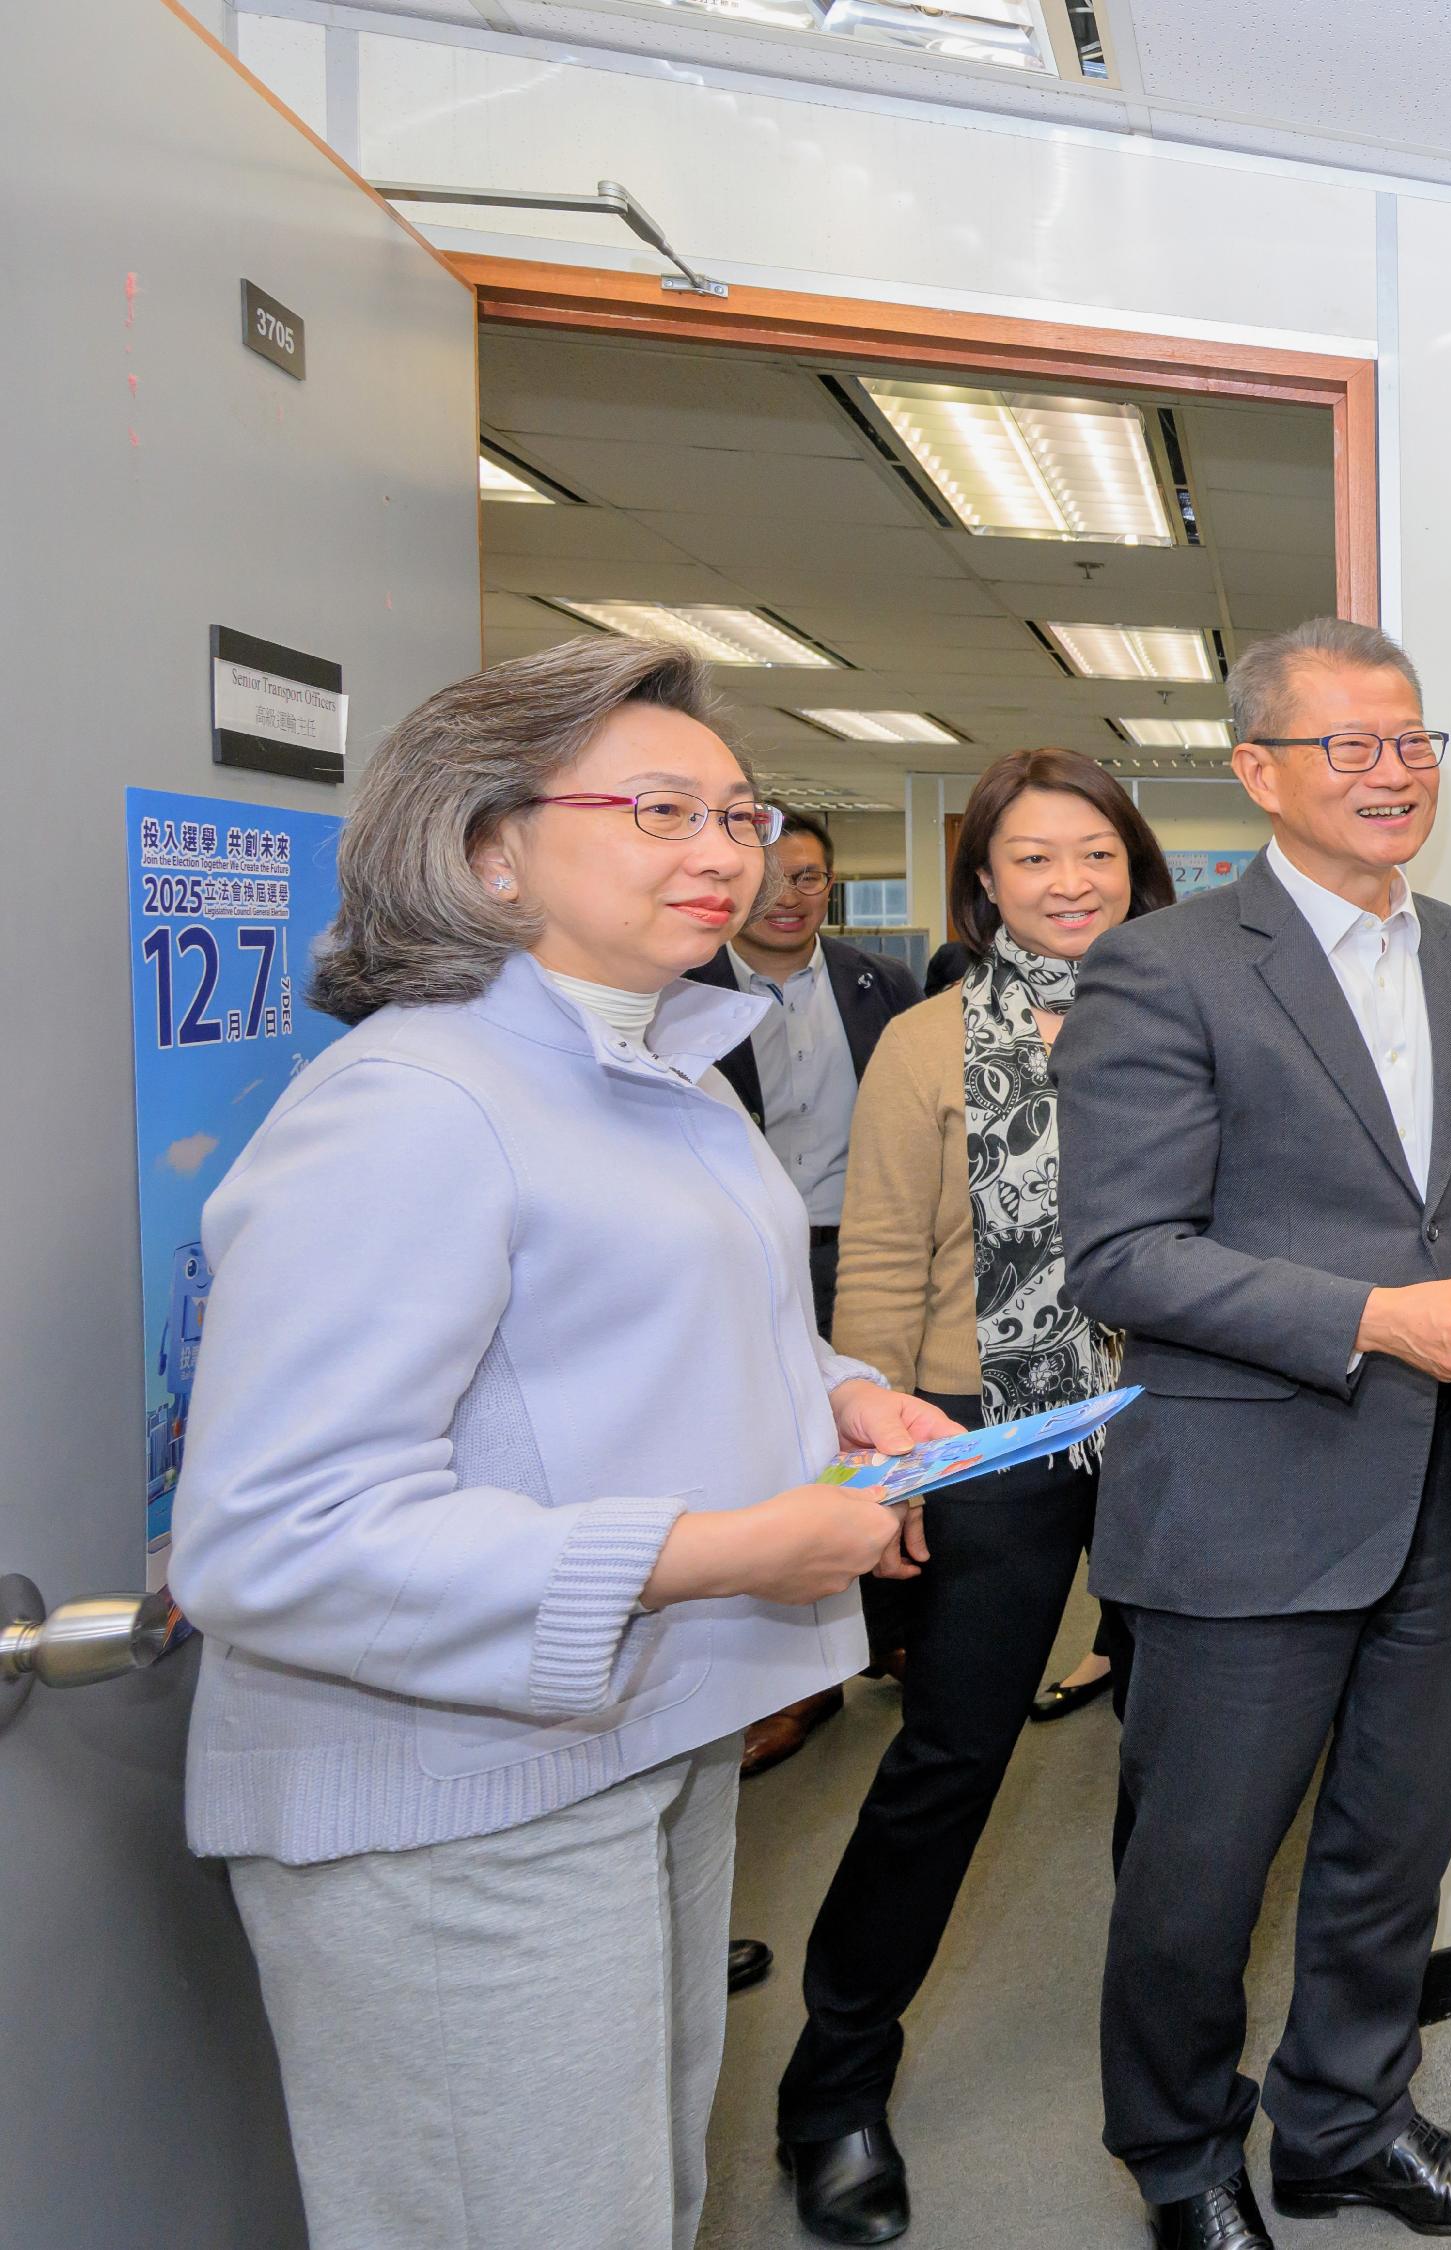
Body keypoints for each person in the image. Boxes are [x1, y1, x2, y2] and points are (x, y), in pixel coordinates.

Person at [166, 636, 940, 2250]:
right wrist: (730, 1549)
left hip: (642, 1738)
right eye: (662, 810)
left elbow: (671, 1324)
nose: (725, 850)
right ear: (484, 844)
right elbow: (274, 1536)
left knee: (626, 2206)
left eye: (738, 813)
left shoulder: (661, 1065)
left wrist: (842, 1392)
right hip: (458, 1802)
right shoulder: (409, 1106)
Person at [1061, 616, 1451, 2250]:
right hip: (1241, 1491)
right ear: (1256, 774)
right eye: (1349, 745)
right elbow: (1125, 1255)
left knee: (1390, 1841)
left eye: (1414, 741)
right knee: (1199, 1877)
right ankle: (1183, 2160)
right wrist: (1370, 1319)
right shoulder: (1165, 964)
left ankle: (1346, 2122)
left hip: (1433, 1473)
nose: (1391, 772)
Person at [769, 748, 1176, 2243]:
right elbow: (874, 1264)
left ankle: (1173, 2083)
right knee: (948, 1754)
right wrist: (882, 1469)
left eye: (1095, 855)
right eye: (1032, 858)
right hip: (980, 1424)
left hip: (1171, 1426)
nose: (1069, 882)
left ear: (1137, 868)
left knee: (1179, 1761)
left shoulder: (1193, 1015)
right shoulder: (927, 1042)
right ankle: (831, 2086)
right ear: (983, 880)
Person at [689, 806, 912, 1775]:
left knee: (876, 1443)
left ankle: (885, 1636)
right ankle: (793, 1680)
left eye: (811, 877)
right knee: (771, 1454)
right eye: (772, 874)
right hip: (742, 1257)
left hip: (859, 1240)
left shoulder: (881, 985)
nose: (790, 895)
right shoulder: (679, 990)